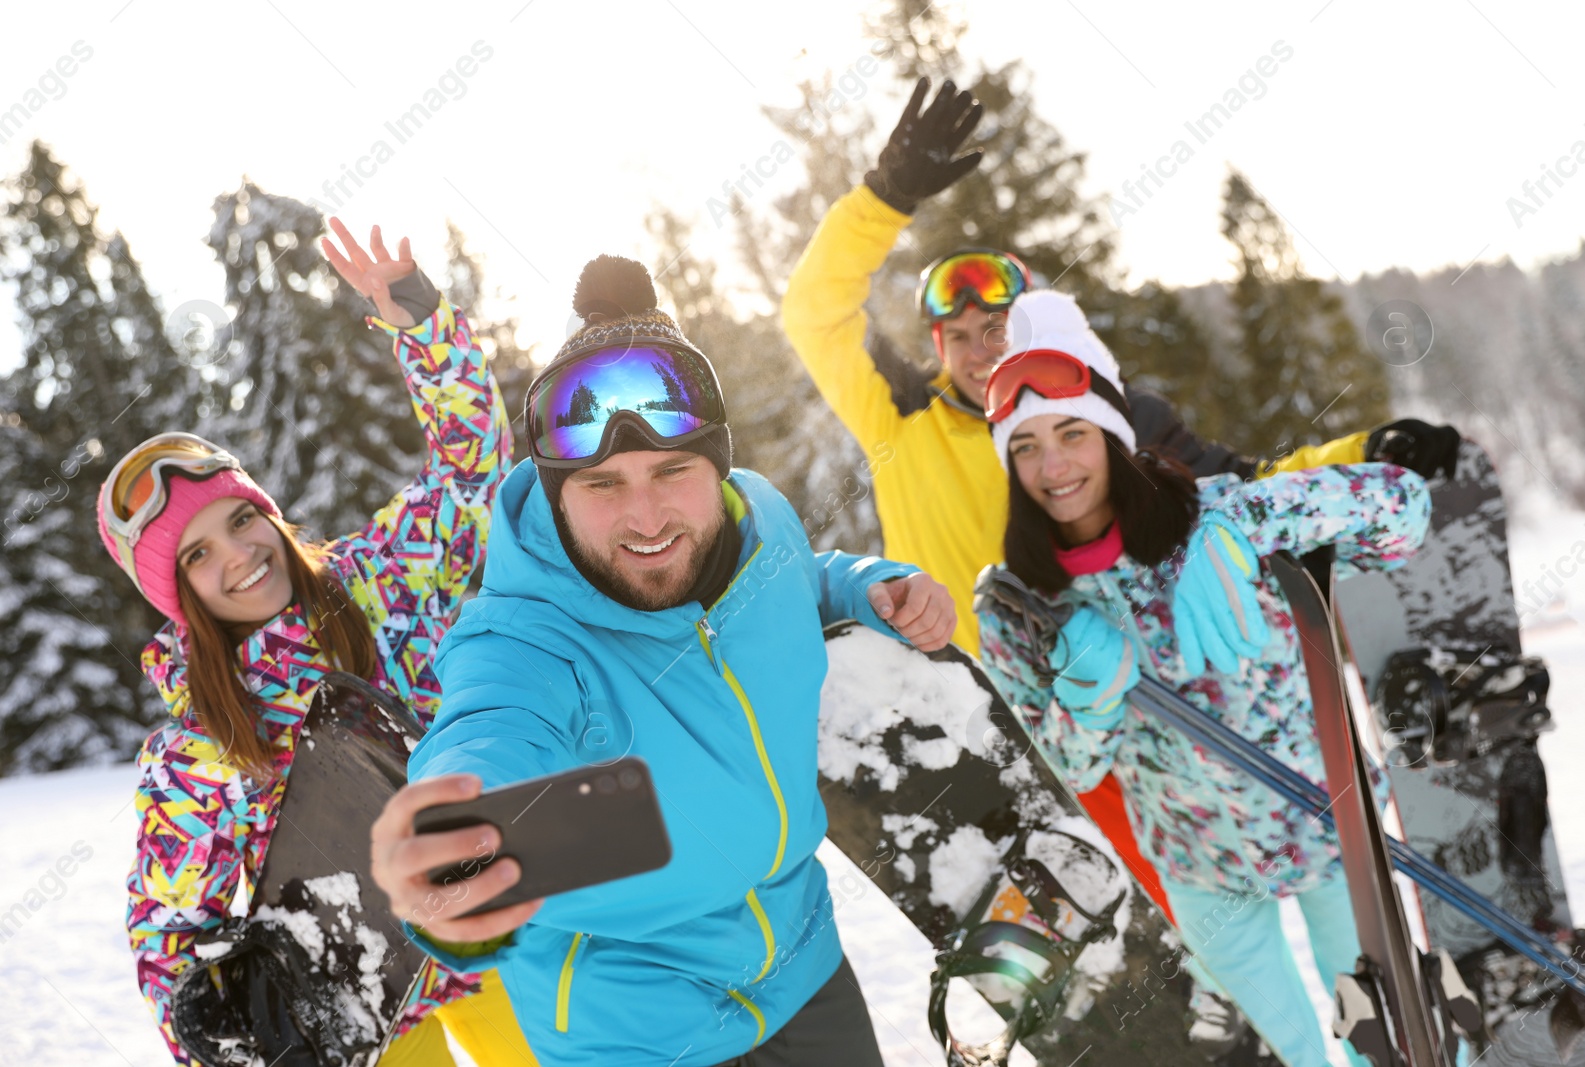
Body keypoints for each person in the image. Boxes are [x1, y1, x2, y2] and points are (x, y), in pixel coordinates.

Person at [780, 75, 1460, 930]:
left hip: (1094, 716)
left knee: (1169, 936)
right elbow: (814, 314)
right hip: (969, 726)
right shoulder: (901, 415)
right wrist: (885, 198)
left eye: (1001, 328)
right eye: (960, 335)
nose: (981, 349)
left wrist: (1362, 452)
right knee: (1062, 953)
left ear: (1033, 328)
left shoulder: (1100, 423)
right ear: (936, 347)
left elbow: (1239, 484)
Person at [368, 254, 957, 1067]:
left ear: (717, 471)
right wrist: (458, 831)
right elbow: (490, 722)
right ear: (552, 492)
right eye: (602, 483)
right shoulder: (524, 636)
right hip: (633, 1030)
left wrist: (867, 587)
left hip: (803, 966)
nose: (645, 515)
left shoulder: (760, 526)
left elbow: (796, 583)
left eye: (673, 471)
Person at [101, 219, 536, 1065]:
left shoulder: (380, 584)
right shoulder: (199, 748)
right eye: (197, 555)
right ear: (176, 593)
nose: (239, 556)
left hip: (492, 935)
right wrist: (217, 1029)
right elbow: (165, 932)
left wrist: (419, 322)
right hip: (361, 999)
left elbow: (470, 472)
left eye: (240, 519)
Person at [975, 289, 1434, 1067]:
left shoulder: (1218, 516)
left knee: (1393, 1043)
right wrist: (1088, 699)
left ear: (1114, 437)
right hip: (1197, 868)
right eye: (1025, 446)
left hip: (1330, 830)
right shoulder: (1020, 603)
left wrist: (1251, 524)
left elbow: (1405, 508)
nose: (1052, 466)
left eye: (1073, 433)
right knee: (1300, 1054)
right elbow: (1071, 768)